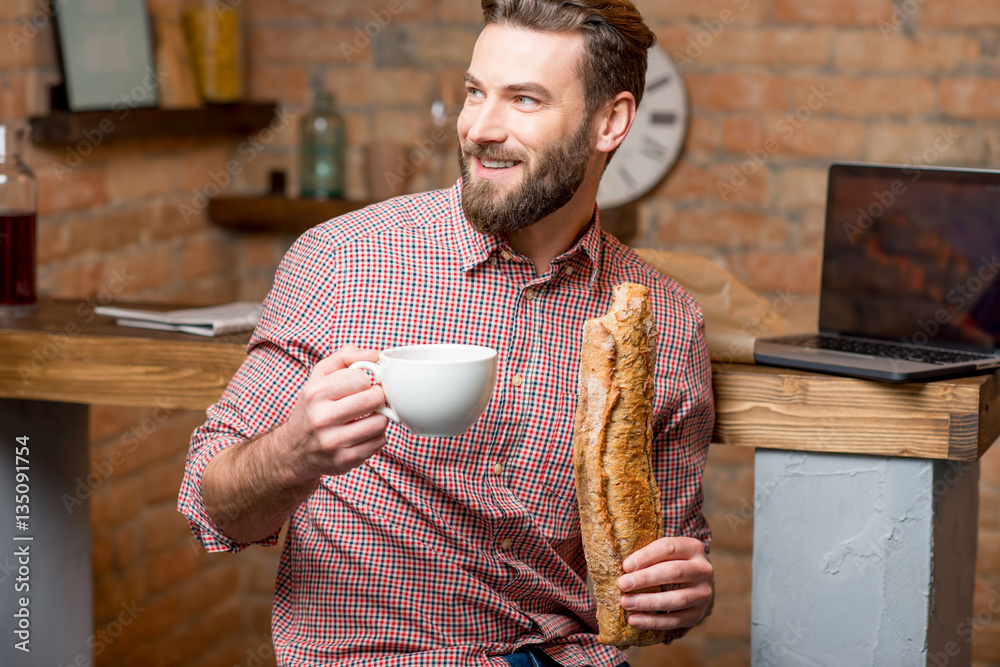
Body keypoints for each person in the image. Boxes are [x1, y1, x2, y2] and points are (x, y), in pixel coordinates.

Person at [177, 1, 716, 665]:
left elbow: (658, 573)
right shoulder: (344, 258)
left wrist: (681, 596)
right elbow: (216, 506)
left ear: (611, 121)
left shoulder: (665, 318)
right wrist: (296, 450)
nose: (480, 127)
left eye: (523, 100)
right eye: (473, 92)